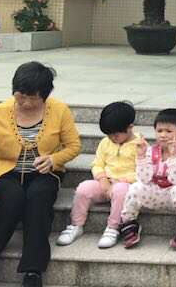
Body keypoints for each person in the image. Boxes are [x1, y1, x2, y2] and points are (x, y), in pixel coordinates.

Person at [0, 62, 81, 287]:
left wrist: (53, 160)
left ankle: (33, 271)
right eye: (21, 96)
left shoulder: (60, 110)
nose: (26, 103)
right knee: (12, 198)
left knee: (38, 198)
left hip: (44, 173)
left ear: (45, 95)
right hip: (5, 172)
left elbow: (74, 146)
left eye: (33, 98)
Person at [57, 101, 139, 249]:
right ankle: (76, 224)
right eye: (108, 134)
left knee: (120, 190)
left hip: (126, 186)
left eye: (115, 134)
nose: (112, 138)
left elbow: (142, 171)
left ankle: (113, 227)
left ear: (130, 127)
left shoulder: (140, 145)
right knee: (83, 188)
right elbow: (97, 164)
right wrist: (102, 179)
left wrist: (122, 180)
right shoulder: (105, 142)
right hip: (105, 184)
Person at [118, 108, 176, 250]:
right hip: (154, 195)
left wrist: (173, 157)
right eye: (159, 131)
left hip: (174, 197)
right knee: (135, 187)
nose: (163, 135)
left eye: (169, 131)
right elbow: (143, 179)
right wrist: (141, 157)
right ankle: (129, 222)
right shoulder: (150, 150)